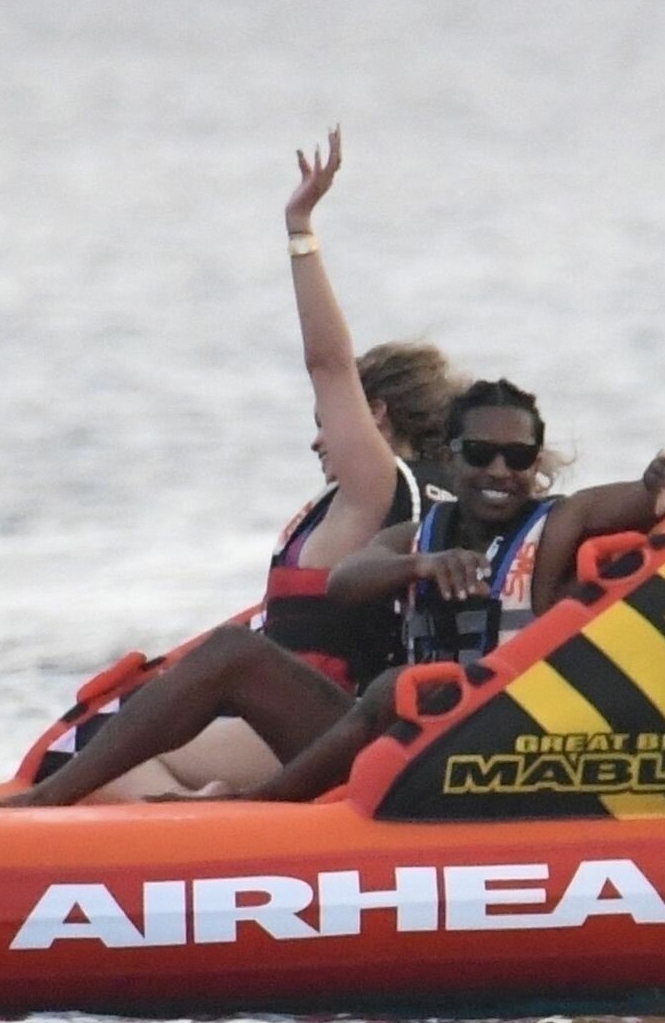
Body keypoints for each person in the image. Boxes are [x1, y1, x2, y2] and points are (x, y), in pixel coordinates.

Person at [0, 377, 665, 807]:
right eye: (480, 454)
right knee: (233, 654)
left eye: (518, 457)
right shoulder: (421, 532)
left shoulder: (560, 522)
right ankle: (47, 800)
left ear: (536, 463)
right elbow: (348, 581)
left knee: (393, 688)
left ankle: (257, 814)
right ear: (451, 457)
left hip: (492, 759)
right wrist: (422, 568)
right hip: (400, 751)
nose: (499, 472)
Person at [46, 128, 464, 803]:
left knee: (104, 762)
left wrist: (300, 230)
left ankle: (205, 819)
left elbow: (327, 363)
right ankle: (207, 805)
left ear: (376, 416)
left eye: (325, 422)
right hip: (298, 716)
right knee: (108, 750)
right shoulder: (404, 499)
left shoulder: (377, 488)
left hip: (318, 725)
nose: (317, 441)